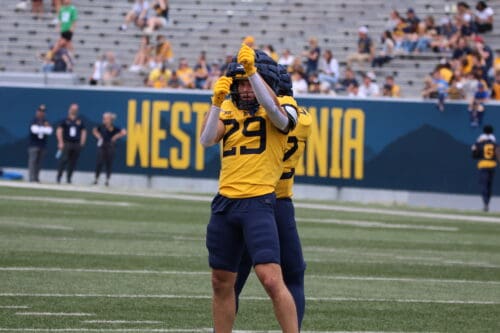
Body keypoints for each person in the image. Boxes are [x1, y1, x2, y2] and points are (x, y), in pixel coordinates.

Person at [200, 44, 299, 333]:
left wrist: (253, 73)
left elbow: (278, 117)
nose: (244, 89)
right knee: (220, 280)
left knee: (270, 278)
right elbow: (207, 140)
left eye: (249, 82)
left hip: (258, 201)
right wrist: (216, 102)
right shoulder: (229, 107)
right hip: (225, 202)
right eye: (240, 83)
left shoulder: (285, 102)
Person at [234, 64, 311, 329]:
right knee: (293, 276)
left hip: (253, 197)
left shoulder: (263, 115)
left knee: (234, 277)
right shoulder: (305, 118)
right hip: (281, 201)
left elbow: (275, 114)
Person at [92, 112, 127, 186]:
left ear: (110, 119)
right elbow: (94, 130)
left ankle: (107, 180)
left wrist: (116, 136)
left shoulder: (114, 128)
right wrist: (98, 136)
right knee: (99, 162)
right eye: (104, 118)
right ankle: (96, 179)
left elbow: (124, 132)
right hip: (102, 146)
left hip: (110, 146)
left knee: (109, 163)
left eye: (106, 118)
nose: (104, 120)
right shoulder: (101, 126)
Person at [56, 103, 86, 184]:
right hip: (67, 143)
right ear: (69, 110)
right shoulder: (65, 120)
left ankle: (69, 178)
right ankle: (59, 177)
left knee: (73, 162)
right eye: (73, 109)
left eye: (76, 109)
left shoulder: (79, 121)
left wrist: (82, 142)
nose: (74, 111)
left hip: (76, 143)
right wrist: (60, 142)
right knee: (64, 160)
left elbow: (83, 131)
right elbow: (59, 130)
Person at [472, 125, 499, 212]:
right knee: (489, 185)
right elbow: (497, 154)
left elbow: (475, 154)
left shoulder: (480, 142)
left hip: (483, 164)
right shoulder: (494, 143)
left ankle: (485, 203)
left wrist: (474, 149)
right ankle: (487, 203)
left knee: (484, 185)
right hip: (492, 165)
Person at [28, 104, 53, 183]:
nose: (42, 112)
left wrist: (42, 128)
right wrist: (44, 128)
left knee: (39, 163)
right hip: (34, 145)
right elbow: (34, 130)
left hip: (42, 145)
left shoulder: (46, 121)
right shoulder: (34, 120)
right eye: (40, 111)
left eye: (43, 111)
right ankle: (31, 178)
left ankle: (36, 177)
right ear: (37, 111)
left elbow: (50, 131)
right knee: (33, 161)